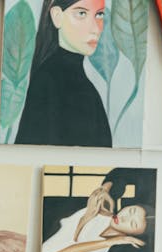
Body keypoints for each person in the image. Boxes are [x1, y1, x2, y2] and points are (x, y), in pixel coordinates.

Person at [14, 0, 113, 147]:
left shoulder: (77, 82)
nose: (95, 29)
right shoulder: (48, 80)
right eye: (81, 13)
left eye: (99, 14)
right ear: (57, 16)